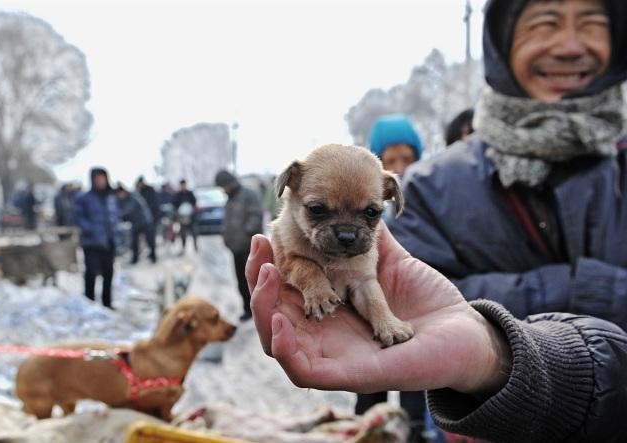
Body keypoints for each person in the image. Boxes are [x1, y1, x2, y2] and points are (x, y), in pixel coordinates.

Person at [245, 225, 627, 442]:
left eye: (369, 213)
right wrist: (487, 352)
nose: (346, 232)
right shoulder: (437, 186)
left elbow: (368, 285)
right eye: (318, 210)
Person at [388, 0, 627, 334]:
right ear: (502, 40)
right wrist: (574, 289)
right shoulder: (429, 189)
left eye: (592, 24)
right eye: (547, 23)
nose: (570, 47)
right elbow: (412, 309)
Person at [362, 114, 427, 431]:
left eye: (407, 157)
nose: (401, 166)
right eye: (391, 159)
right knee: (369, 389)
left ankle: (414, 432)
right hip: (369, 310)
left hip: (413, 311)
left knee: (414, 389)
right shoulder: (364, 205)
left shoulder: (432, 200)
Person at [215, 170, 263, 321]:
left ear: (229, 183)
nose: (223, 190)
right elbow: (227, 222)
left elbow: (256, 216)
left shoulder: (248, 195)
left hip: (249, 247)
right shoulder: (229, 199)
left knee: (254, 280)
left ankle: (261, 309)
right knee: (241, 281)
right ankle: (248, 309)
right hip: (236, 248)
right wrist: (226, 237)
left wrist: (248, 232)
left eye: (223, 186)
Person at [73, 167, 120, 309]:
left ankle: (107, 303)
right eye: (97, 178)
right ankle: (89, 302)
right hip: (91, 243)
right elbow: (77, 218)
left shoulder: (111, 197)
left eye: (102, 178)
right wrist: (90, 229)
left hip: (108, 242)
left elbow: (115, 218)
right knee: (91, 273)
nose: (100, 181)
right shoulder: (84, 199)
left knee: (108, 273)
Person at [116, 184, 156, 264]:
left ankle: (153, 257)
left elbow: (129, 210)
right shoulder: (121, 200)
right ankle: (135, 258)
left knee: (150, 241)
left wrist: (120, 215)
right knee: (134, 242)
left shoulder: (133, 197)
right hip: (135, 224)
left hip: (145, 221)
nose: (119, 196)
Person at [173, 179, 198, 253]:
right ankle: (184, 247)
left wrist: (190, 208)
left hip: (191, 216)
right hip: (182, 216)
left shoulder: (190, 193)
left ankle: (195, 246)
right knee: (183, 233)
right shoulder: (178, 195)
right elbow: (175, 204)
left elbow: (194, 202)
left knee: (193, 231)